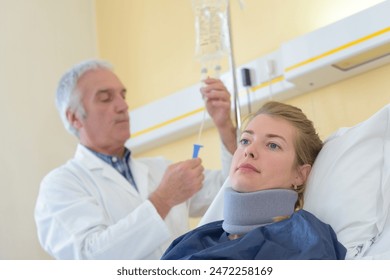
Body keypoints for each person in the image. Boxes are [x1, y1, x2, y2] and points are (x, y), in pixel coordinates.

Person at [34, 59, 237, 259]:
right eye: (105, 98)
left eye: (123, 95)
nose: (123, 105)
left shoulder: (160, 169)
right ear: (75, 117)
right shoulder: (60, 185)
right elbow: (90, 259)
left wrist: (225, 126)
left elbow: (229, 195)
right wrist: (163, 199)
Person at [161, 101, 347, 260]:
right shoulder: (193, 240)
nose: (249, 151)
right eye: (245, 140)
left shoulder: (307, 239)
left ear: (300, 175)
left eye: (272, 145)